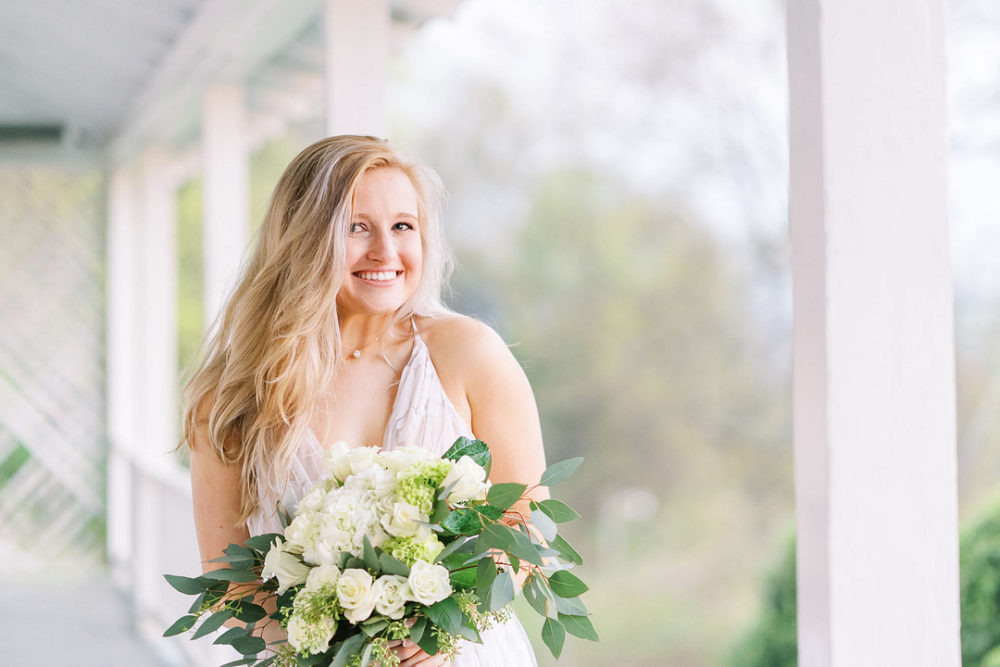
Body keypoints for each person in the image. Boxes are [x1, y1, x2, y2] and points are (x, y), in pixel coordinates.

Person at [182, 135, 547, 666]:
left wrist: (445, 624)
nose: (385, 251)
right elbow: (228, 583)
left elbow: (525, 521)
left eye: (403, 226)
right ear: (304, 238)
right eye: (357, 228)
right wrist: (347, 640)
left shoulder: (471, 354)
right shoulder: (230, 400)